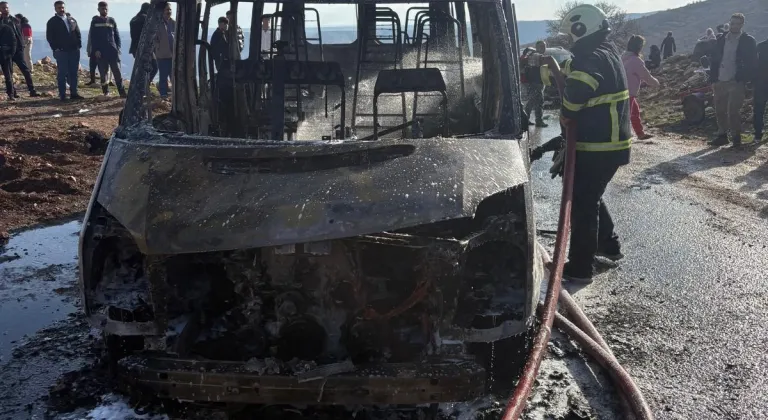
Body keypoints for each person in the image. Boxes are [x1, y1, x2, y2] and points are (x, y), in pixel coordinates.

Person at [557, 4, 632, 283]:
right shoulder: (607, 51)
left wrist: (565, 114)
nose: (570, 40)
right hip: (611, 146)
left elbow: (578, 90)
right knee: (592, 196)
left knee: (583, 204)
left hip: (597, 147)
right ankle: (608, 246)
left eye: (572, 34)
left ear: (581, 28)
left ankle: (580, 268)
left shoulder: (590, 58)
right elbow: (573, 68)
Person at [709, 13, 757, 148]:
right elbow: (714, 58)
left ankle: (736, 137)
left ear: (742, 25)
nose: (734, 26)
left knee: (733, 111)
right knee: (719, 110)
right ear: (729, 23)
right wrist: (713, 78)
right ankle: (722, 135)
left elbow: (753, 62)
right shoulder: (721, 39)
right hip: (719, 79)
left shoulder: (748, 41)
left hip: (736, 81)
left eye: (737, 24)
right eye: (732, 23)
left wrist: (745, 79)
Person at [622, 35, 659, 140]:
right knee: (627, 116)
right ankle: (625, 136)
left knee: (635, 111)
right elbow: (646, 76)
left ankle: (640, 133)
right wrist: (656, 83)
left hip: (620, 91)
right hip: (628, 93)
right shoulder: (636, 60)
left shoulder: (622, 58)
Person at [0, 2, 38, 99]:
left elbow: (19, 34)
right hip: (6, 51)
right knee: (9, 73)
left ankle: (32, 90)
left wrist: (21, 46)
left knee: (25, 70)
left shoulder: (15, 20)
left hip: (17, 50)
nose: (5, 9)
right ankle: (12, 93)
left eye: (7, 7)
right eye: (3, 8)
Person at [46, 1, 83, 101]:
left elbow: (77, 33)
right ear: (55, 9)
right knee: (62, 73)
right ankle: (62, 95)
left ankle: (74, 93)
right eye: (59, 8)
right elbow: (49, 37)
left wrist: (78, 45)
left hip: (74, 51)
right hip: (61, 52)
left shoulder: (72, 20)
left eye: (62, 7)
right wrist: (56, 48)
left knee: (73, 73)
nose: (61, 9)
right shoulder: (52, 21)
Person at [89, 1, 125, 97]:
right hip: (101, 52)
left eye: (106, 9)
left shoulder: (112, 21)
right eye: (102, 9)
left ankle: (122, 92)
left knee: (117, 72)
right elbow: (93, 37)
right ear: (98, 9)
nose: (104, 10)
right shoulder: (95, 21)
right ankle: (106, 92)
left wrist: (118, 48)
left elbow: (117, 36)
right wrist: (96, 50)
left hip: (112, 51)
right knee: (103, 73)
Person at [129, 3, 157, 82]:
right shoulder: (146, 19)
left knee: (141, 68)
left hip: (135, 47)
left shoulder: (134, 19)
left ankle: (140, 86)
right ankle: (144, 86)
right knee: (154, 67)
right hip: (145, 47)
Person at [524, 40, 549, 128]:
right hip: (536, 83)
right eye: (541, 46)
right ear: (537, 47)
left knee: (532, 101)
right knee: (539, 102)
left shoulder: (534, 55)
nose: (543, 48)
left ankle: (525, 119)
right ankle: (539, 121)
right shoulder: (536, 56)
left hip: (538, 82)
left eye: (544, 46)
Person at [154, 3, 174, 98]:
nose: (169, 12)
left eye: (170, 9)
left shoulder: (174, 23)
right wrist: (158, 47)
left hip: (174, 55)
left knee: (174, 76)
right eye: (167, 10)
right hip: (163, 55)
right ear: (162, 11)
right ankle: (163, 94)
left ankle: (175, 94)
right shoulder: (158, 23)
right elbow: (154, 38)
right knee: (163, 76)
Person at [752, 37, 768, 142]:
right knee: (758, 109)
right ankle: (758, 133)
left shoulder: (760, 46)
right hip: (761, 83)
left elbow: (754, 65)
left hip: (760, 83)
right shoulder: (760, 46)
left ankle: (758, 134)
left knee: (758, 110)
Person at [0, 12, 16, 101]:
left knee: (8, 76)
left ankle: (11, 94)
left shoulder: (7, 28)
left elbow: (13, 42)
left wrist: (10, 54)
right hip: (5, 54)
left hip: (5, 55)